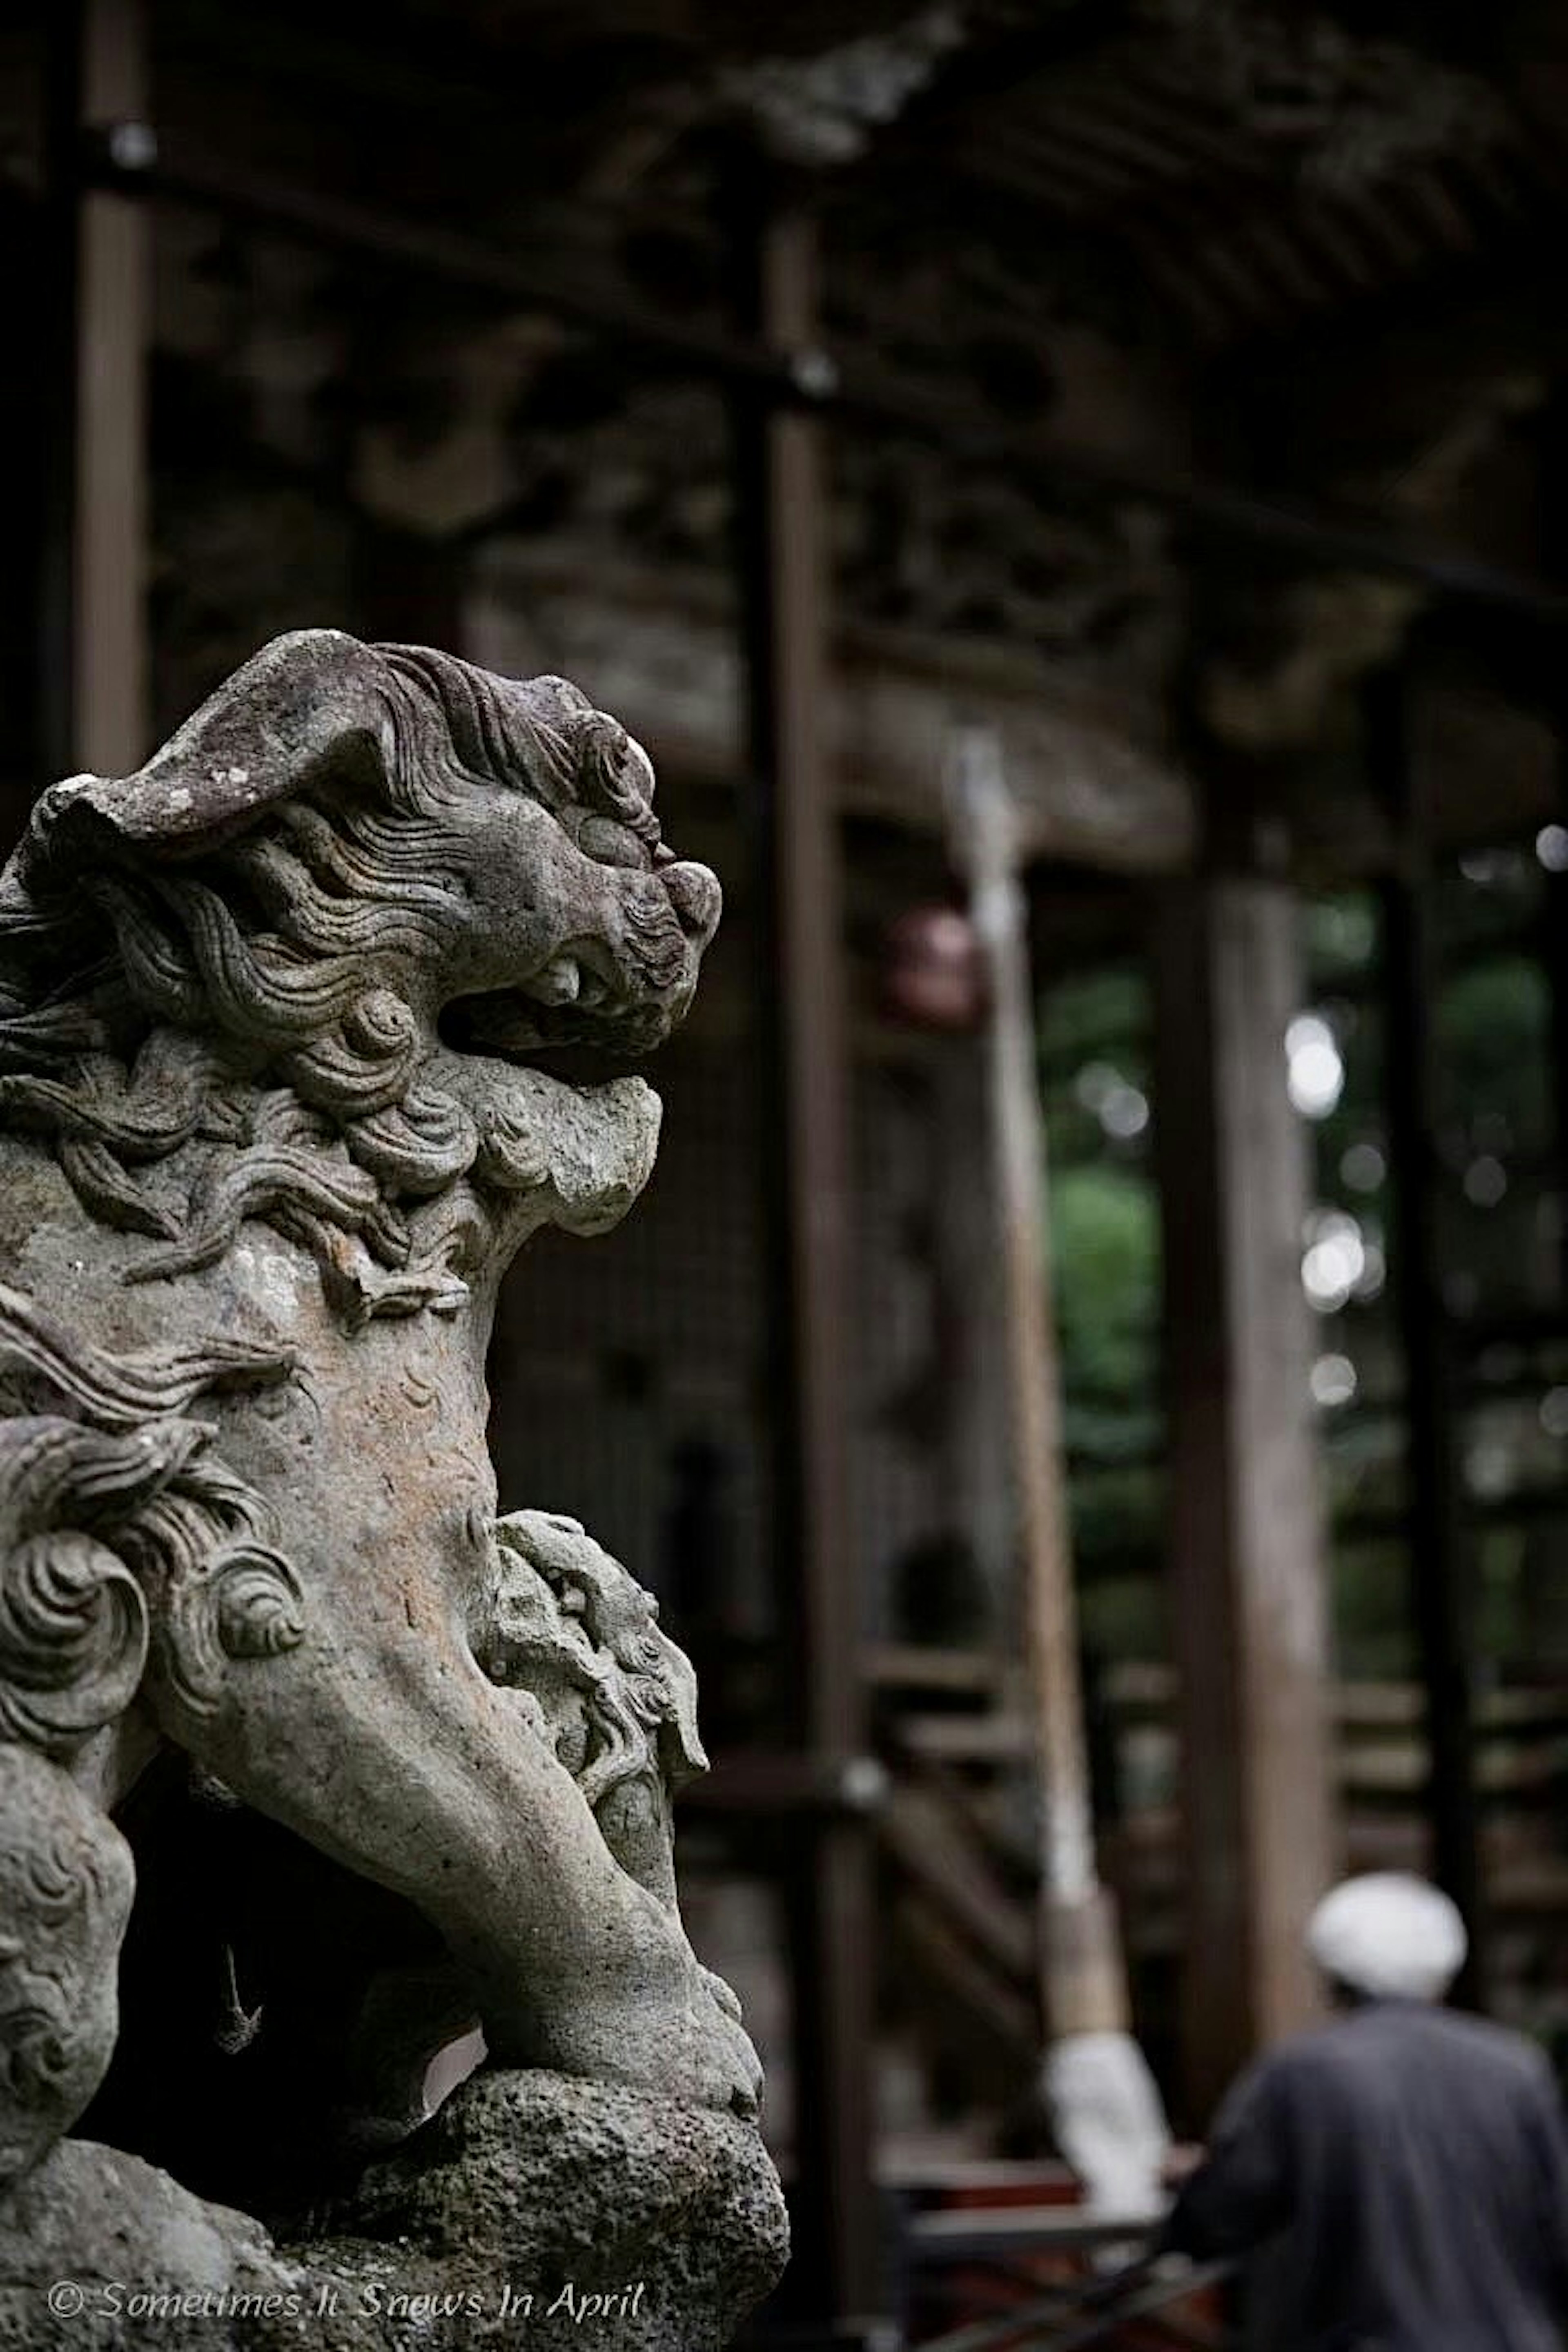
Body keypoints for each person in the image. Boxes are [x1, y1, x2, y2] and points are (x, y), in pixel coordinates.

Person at [1157, 1872, 1568, 2351]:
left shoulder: (1300, 2075)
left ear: (1330, 1975)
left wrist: (1192, 2181)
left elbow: (1216, 2219)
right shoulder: (1516, 2068)